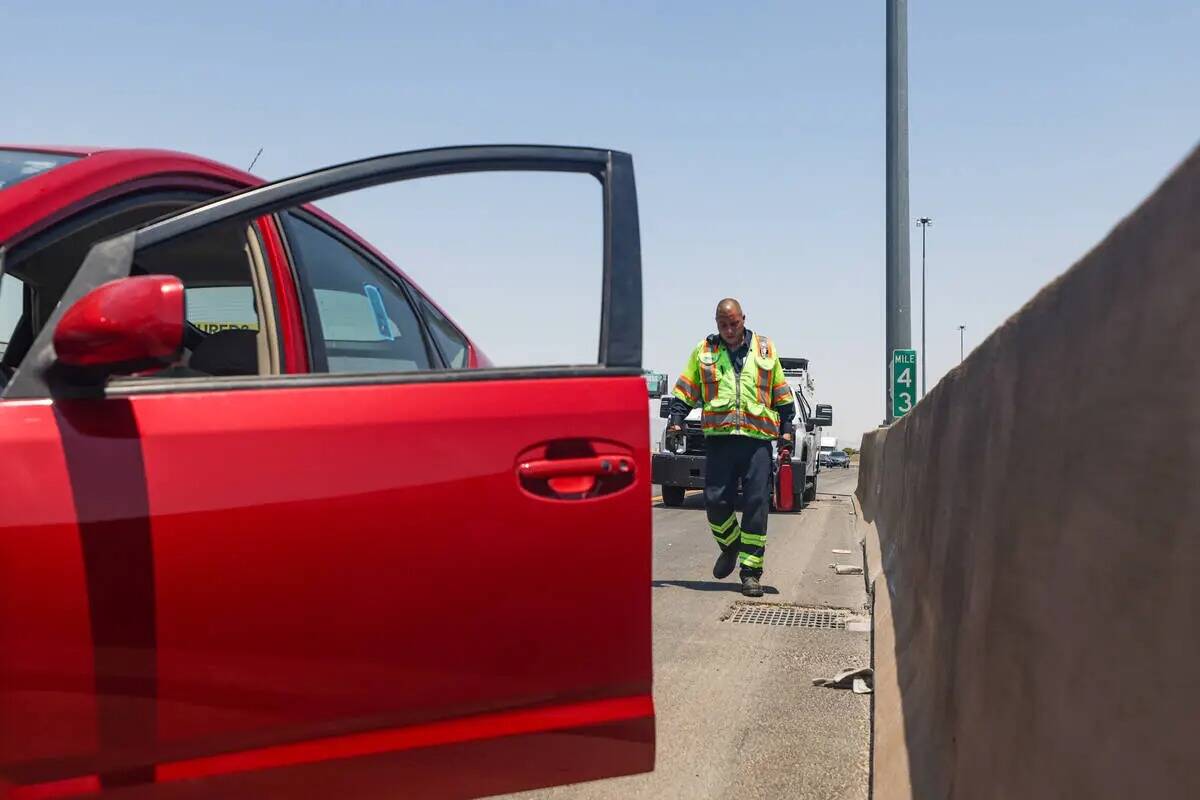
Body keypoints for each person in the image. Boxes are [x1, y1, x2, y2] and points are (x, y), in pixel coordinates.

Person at [667, 298, 796, 597]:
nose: (729, 329)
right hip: (721, 440)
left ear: (744, 319)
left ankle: (751, 573)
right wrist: (675, 419)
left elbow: (781, 393)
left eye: (734, 323)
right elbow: (687, 389)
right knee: (714, 501)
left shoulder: (765, 349)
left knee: (756, 504)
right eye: (723, 324)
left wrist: (786, 432)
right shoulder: (704, 351)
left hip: (757, 442)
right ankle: (731, 544)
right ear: (716, 323)